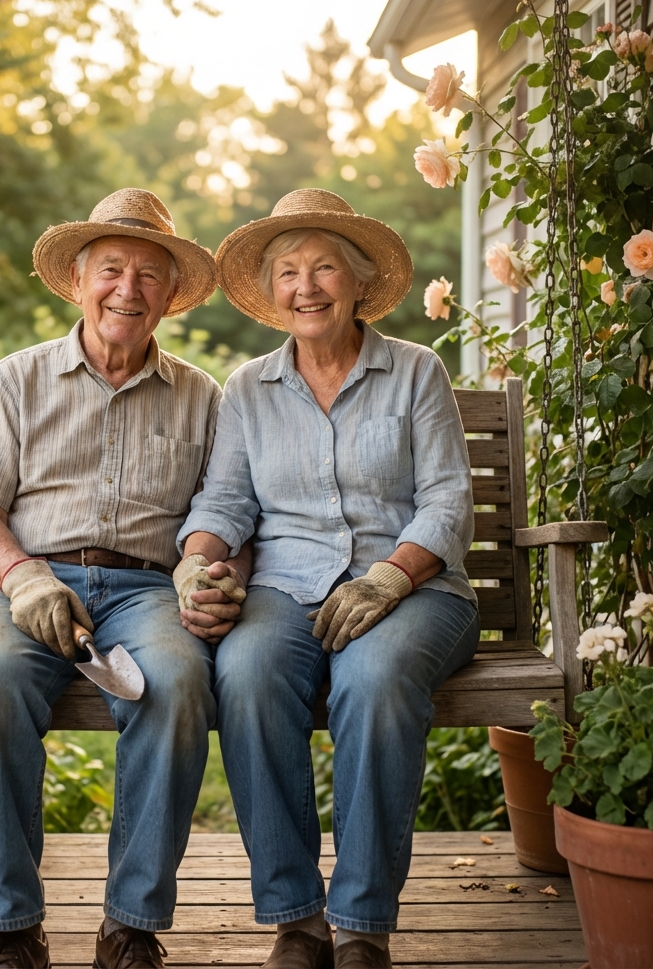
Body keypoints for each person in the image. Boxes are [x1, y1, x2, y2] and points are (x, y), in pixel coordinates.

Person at [0, 189, 247, 969]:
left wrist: (209, 572)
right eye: (111, 269)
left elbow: (229, 513)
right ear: (78, 280)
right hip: (27, 582)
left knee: (178, 685)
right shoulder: (18, 379)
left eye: (150, 275)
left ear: (171, 295)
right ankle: (12, 929)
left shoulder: (203, 397)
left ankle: (131, 926)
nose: (128, 289)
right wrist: (22, 578)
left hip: (148, 591)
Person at [174, 189, 480, 969]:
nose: (305, 287)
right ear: (271, 292)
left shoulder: (416, 372)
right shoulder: (248, 388)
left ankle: (364, 924)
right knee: (243, 673)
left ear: (357, 282)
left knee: (374, 682)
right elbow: (225, 500)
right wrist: (196, 560)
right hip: (285, 586)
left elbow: (448, 500)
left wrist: (389, 577)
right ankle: (297, 918)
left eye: (323, 269)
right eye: (287, 272)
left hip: (413, 589)